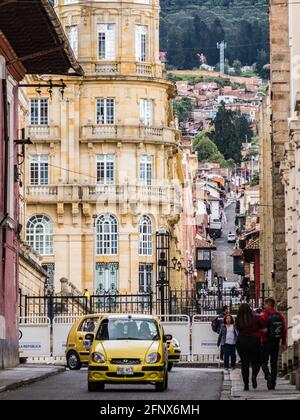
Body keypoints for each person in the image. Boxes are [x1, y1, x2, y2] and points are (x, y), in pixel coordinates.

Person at [236, 303, 266, 391]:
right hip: (254, 341)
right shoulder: (256, 318)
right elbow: (265, 329)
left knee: (244, 364)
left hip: (241, 341)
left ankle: (246, 385)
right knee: (256, 361)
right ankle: (253, 376)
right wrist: (258, 333)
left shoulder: (238, 319)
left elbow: (238, 330)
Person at [260, 298, 287, 390]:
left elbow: (260, 329)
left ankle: (268, 376)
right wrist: (283, 342)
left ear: (268, 305)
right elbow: (284, 329)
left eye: (265, 304)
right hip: (276, 342)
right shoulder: (279, 315)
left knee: (263, 362)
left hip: (266, 342)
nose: (264, 306)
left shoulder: (264, 315)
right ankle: (273, 383)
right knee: (274, 363)